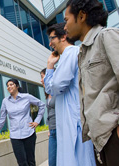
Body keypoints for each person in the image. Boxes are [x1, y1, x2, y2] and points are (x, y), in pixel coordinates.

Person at [64, 0, 119, 165]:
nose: (64, 26)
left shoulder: (107, 36)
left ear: (81, 15)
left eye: (66, 20)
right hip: (100, 140)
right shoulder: (83, 52)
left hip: (113, 137)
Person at [44, 22, 95, 166]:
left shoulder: (71, 52)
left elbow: (55, 86)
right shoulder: (68, 55)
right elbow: (51, 88)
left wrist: (49, 67)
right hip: (70, 118)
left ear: (63, 37)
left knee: (78, 159)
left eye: (52, 38)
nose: (50, 43)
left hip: (73, 119)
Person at [0, 78, 45, 166]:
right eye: (7, 86)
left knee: (31, 161)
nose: (9, 87)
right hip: (15, 135)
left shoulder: (26, 97)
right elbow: (2, 119)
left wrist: (37, 121)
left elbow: (42, 105)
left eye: (11, 84)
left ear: (17, 86)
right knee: (21, 162)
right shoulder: (5, 101)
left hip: (29, 133)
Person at [40, 68, 56, 166]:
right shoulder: (47, 94)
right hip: (53, 131)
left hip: (62, 129)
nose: (41, 80)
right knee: (52, 161)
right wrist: (49, 129)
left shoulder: (58, 91)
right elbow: (49, 112)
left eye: (42, 77)